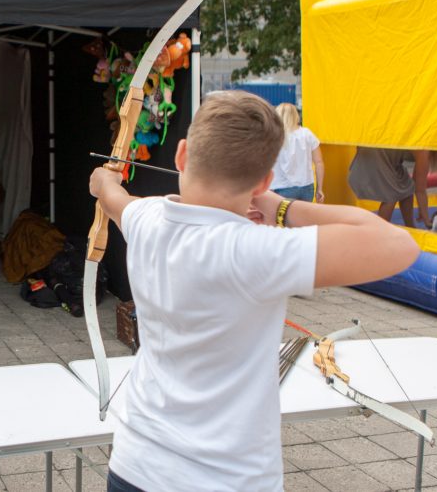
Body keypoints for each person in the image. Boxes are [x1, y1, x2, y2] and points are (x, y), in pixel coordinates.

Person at [89, 91, 419, 492]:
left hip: (135, 468)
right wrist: (282, 208)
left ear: (180, 155)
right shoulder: (257, 251)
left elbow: (113, 197)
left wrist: (104, 179)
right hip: (228, 480)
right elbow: (400, 245)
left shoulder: (147, 217)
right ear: (266, 180)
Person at [348, 147, 430, 227]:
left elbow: (417, 182)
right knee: (391, 194)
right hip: (377, 154)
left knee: (407, 185)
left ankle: (410, 226)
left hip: (384, 155)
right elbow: (420, 190)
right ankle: (381, 230)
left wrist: (422, 209)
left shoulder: (424, 151)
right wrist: (426, 219)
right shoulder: (424, 151)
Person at [270, 103, 323, 202]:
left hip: (282, 188)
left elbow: (268, 164)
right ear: (296, 115)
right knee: (305, 217)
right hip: (307, 187)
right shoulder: (307, 134)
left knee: (284, 217)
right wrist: (319, 189)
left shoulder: (273, 136)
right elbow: (319, 162)